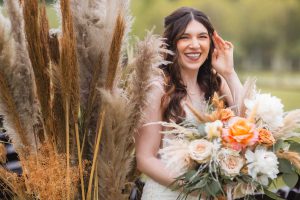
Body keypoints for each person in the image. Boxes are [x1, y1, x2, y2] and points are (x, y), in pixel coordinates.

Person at [135, 7, 243, 200]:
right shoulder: (159, 87)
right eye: (185, 37)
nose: (195, 45)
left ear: (211, 43)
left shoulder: (216, 82)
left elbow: (248, 123)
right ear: (172, 43)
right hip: (169, 193)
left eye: (202, 37)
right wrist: (195, 189)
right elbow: (145, 159)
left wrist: (229, 72)